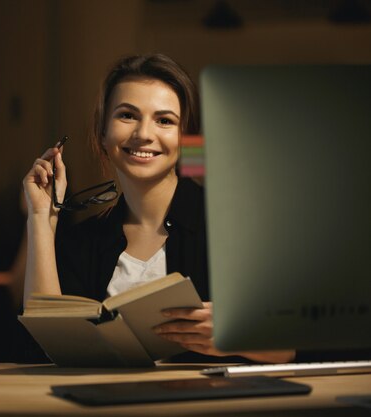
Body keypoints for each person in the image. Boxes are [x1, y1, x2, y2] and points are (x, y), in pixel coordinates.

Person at [22, 53, 294, 364]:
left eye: (164, 120)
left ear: (185, 139)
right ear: (102, 132)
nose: (143, 134)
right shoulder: (84, 243)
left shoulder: (239, 226)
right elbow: (46, 346)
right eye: (127, 115)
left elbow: (312, 343)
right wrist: (42, 218)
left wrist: (242, 335)